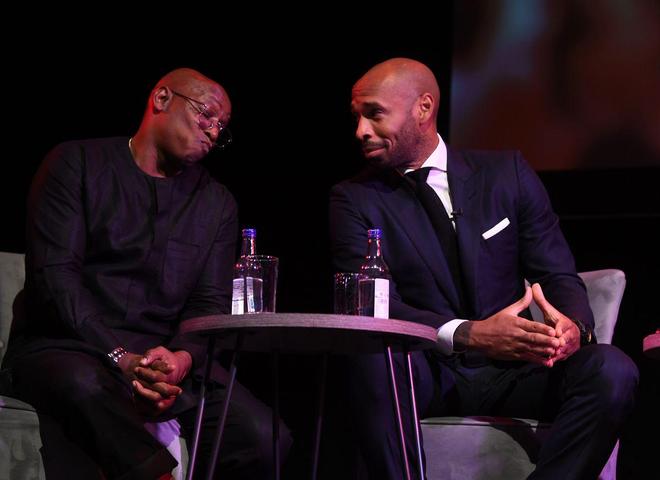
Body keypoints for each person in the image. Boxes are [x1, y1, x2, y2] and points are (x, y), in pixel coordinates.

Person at [329, 58, 638, 479]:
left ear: (423, 108)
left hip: (517, 371)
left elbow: (556, 275)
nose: (360, 130)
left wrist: (572, 328)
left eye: (374, 114)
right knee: (370, 357)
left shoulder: (506, 174)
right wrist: (469, 334)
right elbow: (371, 307)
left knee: (611, 369)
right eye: (357, 117)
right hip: (427, 372)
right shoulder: (353, 199)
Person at [1, 68, 290, 479]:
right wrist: (120, 357)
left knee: (261, 433)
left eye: (221, 127)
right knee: (84, 386)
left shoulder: (216, 203)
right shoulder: (76, 163)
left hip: (161, 359)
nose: (213, 132)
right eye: (206, 114)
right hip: (69, 346)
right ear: (161, 99)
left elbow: (208, 303)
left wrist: (181, 359)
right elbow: (56, 278)